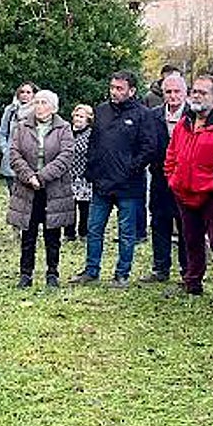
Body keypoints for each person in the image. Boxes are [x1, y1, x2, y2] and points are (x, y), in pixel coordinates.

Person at [70, 69, 155, 288]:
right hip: (101, 183)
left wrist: (130, 168)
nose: (114, 92)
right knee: (94, 228)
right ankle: (91, 270)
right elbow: (94, 143)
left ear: (132, 90)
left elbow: (148, 148)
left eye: (120, 88)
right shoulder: (101, 111)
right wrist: (92, 170)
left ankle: (122, 274)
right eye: (112, 87)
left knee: (126, 233)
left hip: (129, 184)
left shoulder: (143, 115)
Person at [164, 74, 213, 298]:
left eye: (202, 92)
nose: (196, 95)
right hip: (183, 191)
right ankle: (193, 281)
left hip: (212, 194)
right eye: (194, 91)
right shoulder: (185, 122)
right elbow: (172, 152)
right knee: (190, 239)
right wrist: (172, 178)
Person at [6, 90, 75, 288]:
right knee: (28, 234)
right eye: (36, 102)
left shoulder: (64, 128)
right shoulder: (21, 127)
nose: (39, 106)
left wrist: (41, 176)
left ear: (53, 108)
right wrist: (29, 176)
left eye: (43, 102)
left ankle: (52, 273)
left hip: (54, 189)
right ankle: (25, 274)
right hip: (27, 188)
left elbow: (66, 156)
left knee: (52, 234)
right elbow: (14, 155)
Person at [144, 71, 188, 283]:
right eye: (168, 91)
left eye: (177, 91)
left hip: (185, 178)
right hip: (159, 177)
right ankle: (160, 268)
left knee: (185, 224)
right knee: (159, 220)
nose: (172, 96)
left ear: (185, 92)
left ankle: (187, 270)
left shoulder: (192, 114)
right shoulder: (153, 115)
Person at [0, 82, 37, 194]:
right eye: (22, 92)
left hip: (30, 162)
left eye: (28, 92)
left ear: (34, 94)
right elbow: (2, 133)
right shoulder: (10, 110)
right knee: (14, 198)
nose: (25, 95)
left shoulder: (38, 111)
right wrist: (5, 150)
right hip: (11, 161)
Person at [65, 104, 94, 242]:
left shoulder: (91, 134)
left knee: (84, 207)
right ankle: (69, 233)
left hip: (84, 176)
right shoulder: (66, 132)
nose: (78, 119)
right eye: (76, 116)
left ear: (88, 119)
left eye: (81, 116)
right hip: (68, 175)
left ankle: (84, 232)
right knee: (69, 206)